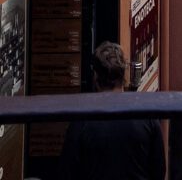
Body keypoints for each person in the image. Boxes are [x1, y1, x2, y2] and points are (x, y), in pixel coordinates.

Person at [60, 41, 165, 180]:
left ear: (96, 77)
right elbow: (159, 170)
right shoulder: (146, 117)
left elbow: (67, 172)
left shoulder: (81, 122)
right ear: (124, 76)